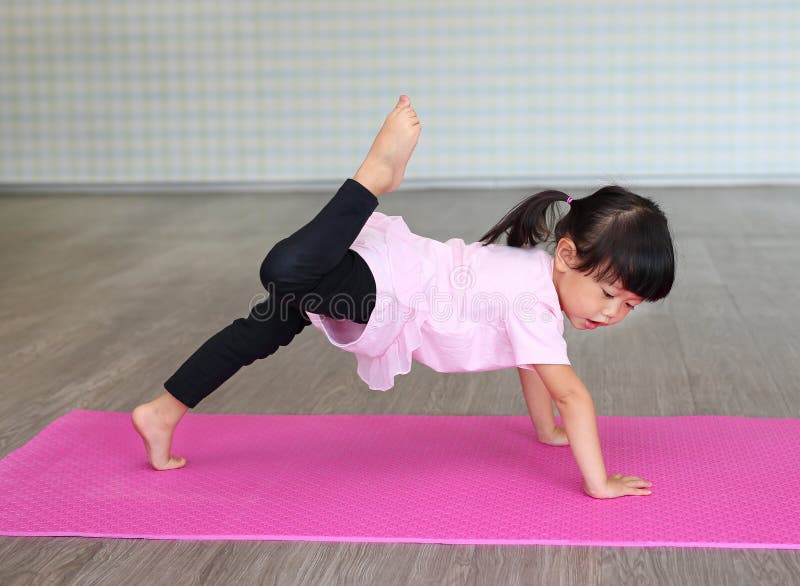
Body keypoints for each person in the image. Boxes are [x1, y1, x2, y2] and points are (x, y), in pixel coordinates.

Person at [132, 95, 675, 500]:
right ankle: (371, 179)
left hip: (391, 276)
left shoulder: (537, 286)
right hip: (392, 290)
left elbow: (534, 370)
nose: (611, 312)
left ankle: (162, 411)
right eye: (608, 293)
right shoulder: (533, 303)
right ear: (565, 254)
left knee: (264, 326)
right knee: (285, 271)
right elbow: (572, 395)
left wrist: (546, 432)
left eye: (628, 305)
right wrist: (597, 481)